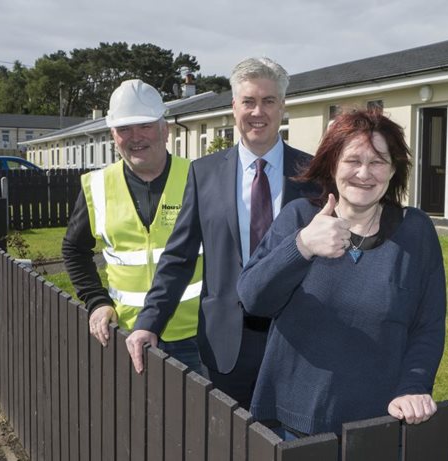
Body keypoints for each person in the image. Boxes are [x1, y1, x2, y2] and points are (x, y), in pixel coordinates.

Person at [236, 109, 446, 436]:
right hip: (291, 425)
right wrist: (302, 246)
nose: (364, 173)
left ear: (394, 171)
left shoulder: (415, 231)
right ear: (332, 164)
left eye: (378, 162)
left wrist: (414, 385)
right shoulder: (299, 218)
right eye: (352, 161)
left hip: (377, 425)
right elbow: (253, 299)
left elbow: (428, 326)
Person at [125, 57, 316, 409]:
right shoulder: (204, 174)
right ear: (233, 107)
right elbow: (178, 257)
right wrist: (148, 321)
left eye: (268, 101)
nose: (258, 111)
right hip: (226, 346)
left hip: (297, 340)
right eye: (248, 101)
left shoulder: (313, 174)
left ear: (283, 107)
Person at [62, 79, 205, 373]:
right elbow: (74, 249)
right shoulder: (96, 186)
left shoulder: (200, 177)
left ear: (165, 130)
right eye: (124, 129)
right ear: (113, 135)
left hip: (198, 336)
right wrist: (97, 301)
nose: (135, 137)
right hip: (128, 333)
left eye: (145, 125)